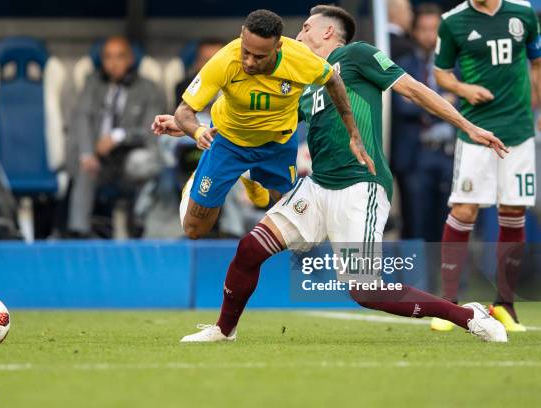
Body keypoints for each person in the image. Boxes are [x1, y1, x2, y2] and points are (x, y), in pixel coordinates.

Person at [157, 6, 508, 343]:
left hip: (360, 185)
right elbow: (260, 125)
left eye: (307, 26)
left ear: (328, 31)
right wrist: (188, 124)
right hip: (318, 187)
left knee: (366, 290)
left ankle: (468, 316)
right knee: (250, 248)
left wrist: (466, 125)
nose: (299, 32)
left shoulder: (357, 55)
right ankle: (223, 330)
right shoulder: (303, 79)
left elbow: (414, 89)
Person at [154, 9, 374, 240]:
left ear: (278, 47)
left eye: (258, 57)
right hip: (230, 143)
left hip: (277, 144)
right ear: (242, 35)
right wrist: (197, 131)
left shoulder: (300, 59)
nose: (249, 61)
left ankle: (251, 177)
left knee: (292, 228)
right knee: (194, 230)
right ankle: (200, 179)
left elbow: (333, 80)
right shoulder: (225, 60)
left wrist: (354, 134)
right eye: (245, 52)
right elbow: (184, 111)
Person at [431, 0, 541, 332]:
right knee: (464, 210)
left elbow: (536, 63)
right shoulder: (453, 21)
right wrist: (463, 88)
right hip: (476, 131)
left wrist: (536, 103)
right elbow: (441, 73)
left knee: (513, 210)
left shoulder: (523, 14)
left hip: (519, 132)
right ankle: (448, 304)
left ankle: (504, 305)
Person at [66, 36, 164, 237]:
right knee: (85, 165)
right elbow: (81, 118)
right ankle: (78, 233)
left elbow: (151, 130)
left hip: (129, 157)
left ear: (130, 60)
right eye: (108, 57)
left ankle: (140, 226)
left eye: (120, 57)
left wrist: (119, 136)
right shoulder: (92, 84)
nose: (114, 63)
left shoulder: (148, 88)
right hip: (98, 159)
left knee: (143, 163)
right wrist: (87, 154)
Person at [392, 4, 456, 241]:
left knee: (451, 228)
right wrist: (443, 102)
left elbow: (463, 104)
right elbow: (400, 106)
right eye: (424, 29)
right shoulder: (402, 65)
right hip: (415, 158)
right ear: (414, 31)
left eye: (435, 29)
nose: (430, 35)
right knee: (416, 228)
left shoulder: (456, 66)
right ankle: (417, 279)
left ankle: (450, 279)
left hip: (449, 156)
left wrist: (419, 100)